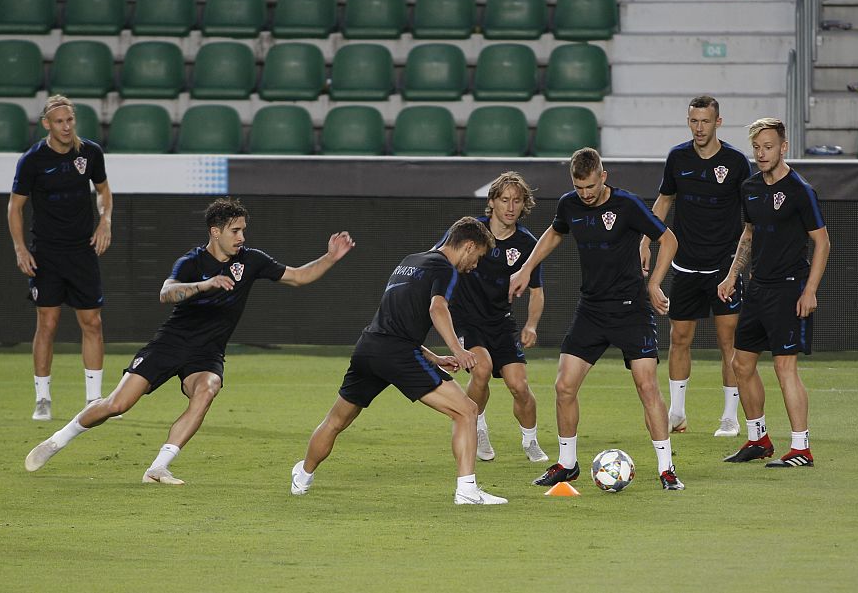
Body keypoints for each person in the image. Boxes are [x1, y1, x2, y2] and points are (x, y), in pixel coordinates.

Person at [25, 197, 355, 484]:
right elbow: (166, 293)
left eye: (243, 230)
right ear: (216, 231)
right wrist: (205, 284)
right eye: (235, 231)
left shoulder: (251, 260)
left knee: (208, 388)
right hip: (170, 343)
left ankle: (158, 467)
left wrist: (330, 258)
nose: (242, 237)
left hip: (207, 353)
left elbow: (297, 276)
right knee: (117, 405)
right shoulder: (192, 262)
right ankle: (57, 441)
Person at [290, 217, 508, 505]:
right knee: (467, 410)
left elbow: (397, 322)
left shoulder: (411, 260)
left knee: (335, 421)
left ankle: (302, 476)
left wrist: (434, 358)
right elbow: (437, 307)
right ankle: (467, 490)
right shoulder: (445, 268)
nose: (475, 265)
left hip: (369, 347)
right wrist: (457, 349)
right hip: (397, 353)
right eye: (478, 257)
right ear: (468, 247)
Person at [510, 147, 686, 490]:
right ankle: (567, 463)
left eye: (591, 187)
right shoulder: (569, 204)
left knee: (647, 386)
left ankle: (666, 469)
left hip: (631, 308)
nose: (586, 194)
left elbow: (669, 239)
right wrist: (526, 267)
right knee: (564, 386)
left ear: (603, 176)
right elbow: (555, 233)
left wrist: (653, 284)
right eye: (579, 188)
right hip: (591, 309)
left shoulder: (627, 204)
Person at [639, 95, 753, 438]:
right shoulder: (678, 157)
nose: (699, 127)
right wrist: (645, 240)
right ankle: (676, 413)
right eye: (693, 121)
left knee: (727, 340)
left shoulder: (735, 161)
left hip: (723, 266)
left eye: (705, 121)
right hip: (685, 264)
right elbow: (664, 200)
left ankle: (730, 416)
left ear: (718, 122)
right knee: (679, 337)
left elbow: (750, 216)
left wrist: (739, 265)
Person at [719, 118, 830, 468]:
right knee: (741, 363)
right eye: (756, 147)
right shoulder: (750, 187)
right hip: (758, 288)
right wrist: (731, 275)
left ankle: (801, 448)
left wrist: (810, 290)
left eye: (768, 147)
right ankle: (758, 439)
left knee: (784, 367)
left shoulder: (800, 190)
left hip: (789, 289)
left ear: (783, 147)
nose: (761, 153)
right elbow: (748, 235)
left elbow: (822, 241)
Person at [8, 95, 114, 422]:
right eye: (59, 122)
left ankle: (94, 400)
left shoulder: (90, 153)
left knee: (92, 322)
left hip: (82, 252)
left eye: (70, 120)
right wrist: (20, 248)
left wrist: (105, 221)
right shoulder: (32, 161)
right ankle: (43, 399)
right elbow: (15, 207)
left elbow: (104, 192)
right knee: (48, 323)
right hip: (47, 254)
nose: (66, 127)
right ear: (47, 125)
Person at [435, 172, 548, 463]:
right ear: (492, 202)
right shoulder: (470, 232)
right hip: (466, 319)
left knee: (519, 385)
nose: (511, 207)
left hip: (501, 322)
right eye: (505, 200)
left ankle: (530, 440)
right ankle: (478, 425)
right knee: (481, 368)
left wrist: (531, 325)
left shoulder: (527, 244)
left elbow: (536, 292)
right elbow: (438, 258)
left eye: (517, 201)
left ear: (524, 205)